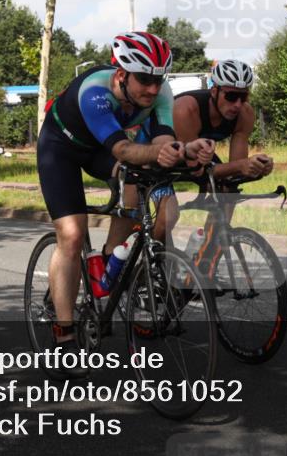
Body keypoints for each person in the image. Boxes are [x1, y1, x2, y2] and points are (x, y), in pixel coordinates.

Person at [36, 31, 215, 378]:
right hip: (61, 148)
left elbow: (163, 141)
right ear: (122, 75)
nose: (152, 89)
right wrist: (162, 153)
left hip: (100, 148)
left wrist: (186, 150)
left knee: (139, 177)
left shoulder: (160, 93)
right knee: (72, 236)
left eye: (157, 80)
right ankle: (64, 334)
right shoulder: (95, 92)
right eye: (144, 80)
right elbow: (123, 150)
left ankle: (108, 265)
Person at [148, 59, 274, 241]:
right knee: (168, 217)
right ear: (214, 92)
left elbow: (234, 171)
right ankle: (152, 261)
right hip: (159, 154)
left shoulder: (244, 114)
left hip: (192, 152)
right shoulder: (186, 109)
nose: (238, 104)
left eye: (243, 97)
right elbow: (197, 170)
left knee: (228, 191)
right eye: (231, 96)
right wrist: (241, 166)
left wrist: (257, 168)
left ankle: (204, 259)